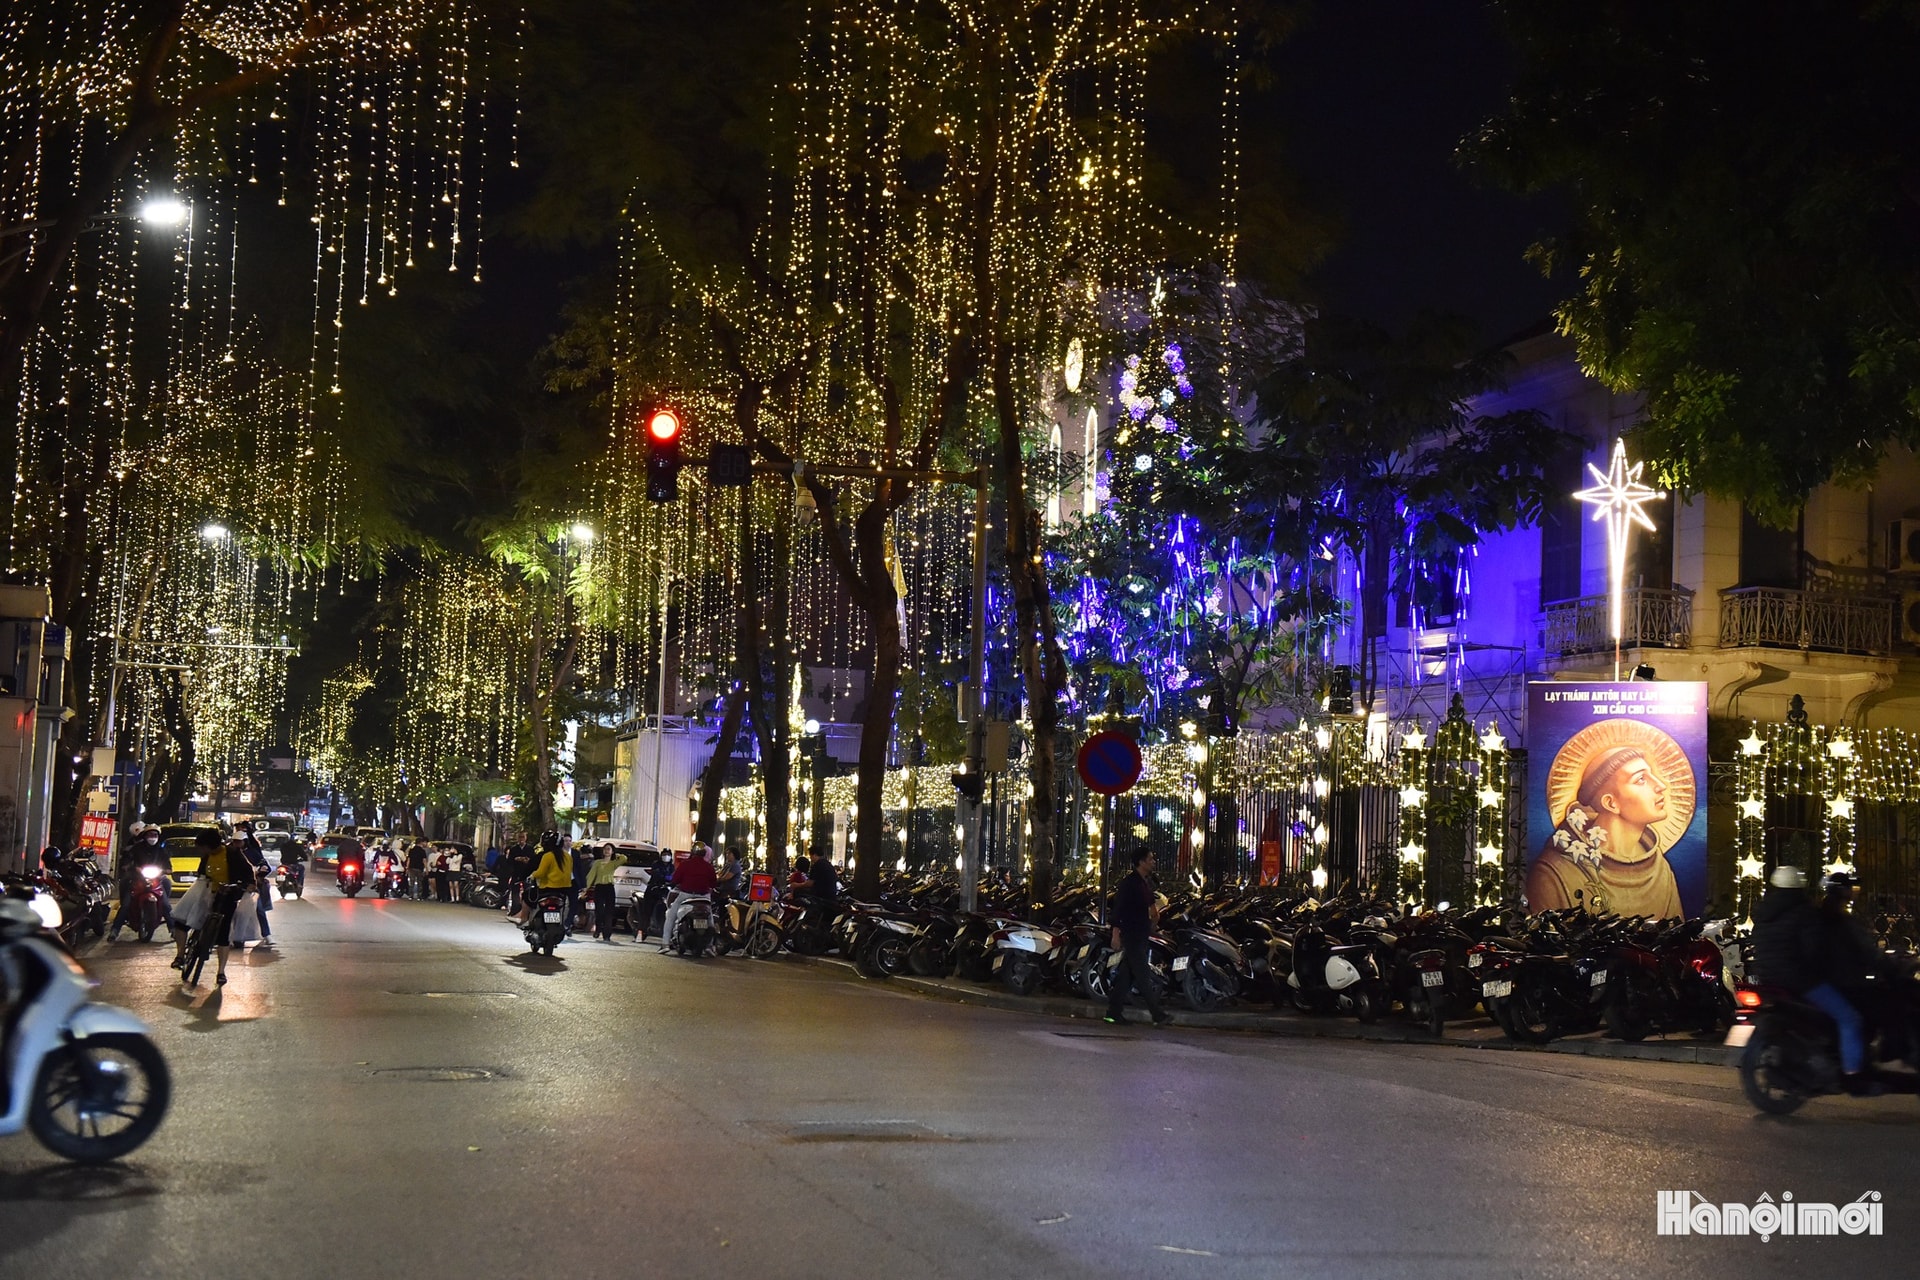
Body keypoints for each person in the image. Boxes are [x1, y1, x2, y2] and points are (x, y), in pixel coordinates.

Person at [1753, 864, 1882, 1095]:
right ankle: (1853, 1075)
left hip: (1768, 978)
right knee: (1849, 1018)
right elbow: (1814, 949)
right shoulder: (1804, 912)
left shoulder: (1764, 912)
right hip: (1800, 980)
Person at [1526, 744, 1684, 918]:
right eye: (1641, 779)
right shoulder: (1554, 874)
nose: (1661, 785)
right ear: (1610, 803)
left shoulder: (1660, 869)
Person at [172, 829, 252, 988]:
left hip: (227, 896)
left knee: (223, 934)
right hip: (206, 894)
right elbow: (201, 874)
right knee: (181, 922)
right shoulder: (206, 856)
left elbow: (248, 873)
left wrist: (249, 884)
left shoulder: (233, 853)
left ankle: (221, 972)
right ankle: (180, 956)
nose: (200, 851)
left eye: (201, 847)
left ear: (209, 845)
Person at [1104, 845, 1172, 1027]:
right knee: (1142, 975)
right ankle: (1157, 1015)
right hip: (1132, 935)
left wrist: (1154, 924)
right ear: (1141, 862)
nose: (1153, 862)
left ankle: (1113, 1012)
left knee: (1126, 975)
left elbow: (1152, 909)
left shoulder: (1144, 883)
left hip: (1141, 934)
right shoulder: (1129, 884)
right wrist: (1116, 934)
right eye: (1150, 859)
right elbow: (1118, 911)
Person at [108, 824, 166, 942]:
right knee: (125, 904)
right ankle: (115, 930)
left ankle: (173, 929)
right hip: (137, 880)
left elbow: (167, 864)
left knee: (166, 904)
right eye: (150, 835)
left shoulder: (161, 850)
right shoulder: (136, 848)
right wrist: (130, 866)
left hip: (155, 881)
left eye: (155, 835)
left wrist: (165, 870)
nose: (152, 837)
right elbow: (127, 860)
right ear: (145, 836)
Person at [662, 845, 717, 951]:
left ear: (693, 852)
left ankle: (665, 944)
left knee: (671, 916)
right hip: (704, 897)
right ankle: (709, 946)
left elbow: (675, 879)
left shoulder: (685, 864)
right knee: (710, 918)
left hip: (686, 895)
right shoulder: (708, 866)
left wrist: (674, 883)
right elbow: (713, 883)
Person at [514, 832, 574, 929]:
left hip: (547, 888)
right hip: (564, 890)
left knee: (527, 895)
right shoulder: (568, 856)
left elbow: (541, 872)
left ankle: (523, 918)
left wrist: (531, 876)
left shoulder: (547, 856)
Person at [237, 822, 274, 947]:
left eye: (239, 841)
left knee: (259, 909)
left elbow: (265, 867)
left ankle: (267, 934)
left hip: (250, 886)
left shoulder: (252, 852)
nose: (237, 844)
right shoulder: (230, 852)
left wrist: (259, 874)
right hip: (235, 886)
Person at [585, 845, 628, 943]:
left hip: (609, 888)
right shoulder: (598, 862)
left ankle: (607, 934)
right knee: (599, 911)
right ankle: (598, 929)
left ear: (612, 851)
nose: (606, 851)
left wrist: (615, 854)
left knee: (609, 913)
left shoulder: (614, 863)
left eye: (609, 849)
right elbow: (591, 875)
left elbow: (624, 858)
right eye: (605, 849)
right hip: (599, 888)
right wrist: (586, 887)